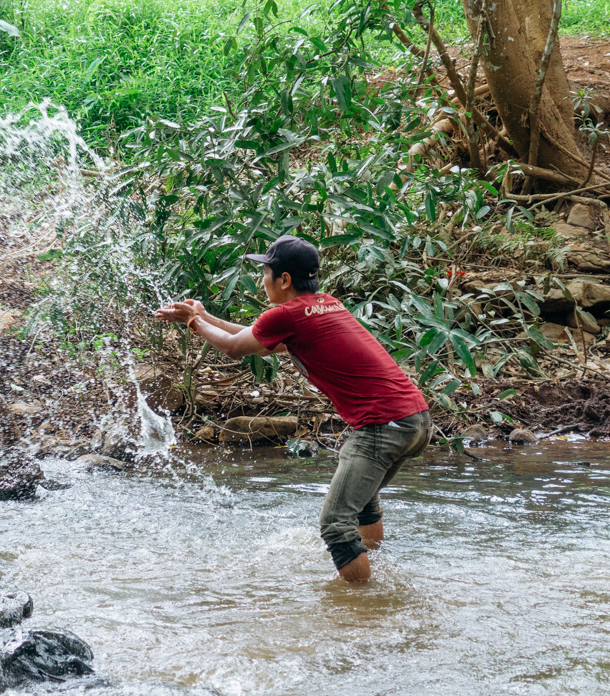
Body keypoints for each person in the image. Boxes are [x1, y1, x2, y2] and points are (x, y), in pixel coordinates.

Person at [154, 235, 431, 584]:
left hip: (382, 426)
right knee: (360, 506)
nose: (262, 280)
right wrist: (206, 317)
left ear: (284, 279)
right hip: (415, 419)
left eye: (266, 272)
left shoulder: (285, 314)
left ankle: (366, 608)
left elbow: (233, 349)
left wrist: (193, 321)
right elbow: (255, 340)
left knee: (334, 524)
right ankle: (373, 572)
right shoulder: (325, 304)